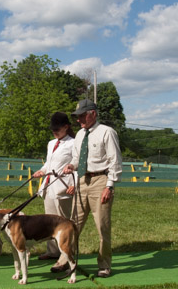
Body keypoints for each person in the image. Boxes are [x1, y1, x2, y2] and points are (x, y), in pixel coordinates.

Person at [63, 99, 122, 278]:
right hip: (82, 181)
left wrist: (109, 186)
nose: (79, 120)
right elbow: (77, 158)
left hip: (100, 181)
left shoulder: (107, 132)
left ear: (93, 114)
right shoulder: (80, 135)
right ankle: (68, 261)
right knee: (72, 225)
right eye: (77, 117)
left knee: (102, 226)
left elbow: (115, 161)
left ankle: (104, 265)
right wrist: (71, 167)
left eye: (82, 116)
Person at [33, 112, 76, 266]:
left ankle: (66, 255)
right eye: (53, 130)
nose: (55, 132)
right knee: (49, 222)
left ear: (66, 127)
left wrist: (74, 185)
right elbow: (49, 164)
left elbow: (77, 167)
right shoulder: (51, 143)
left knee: (63, 223)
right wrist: (42, 171)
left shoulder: (74, 143)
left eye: (57, 129)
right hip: (48, 187)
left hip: (63, 188)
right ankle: (52, 251)